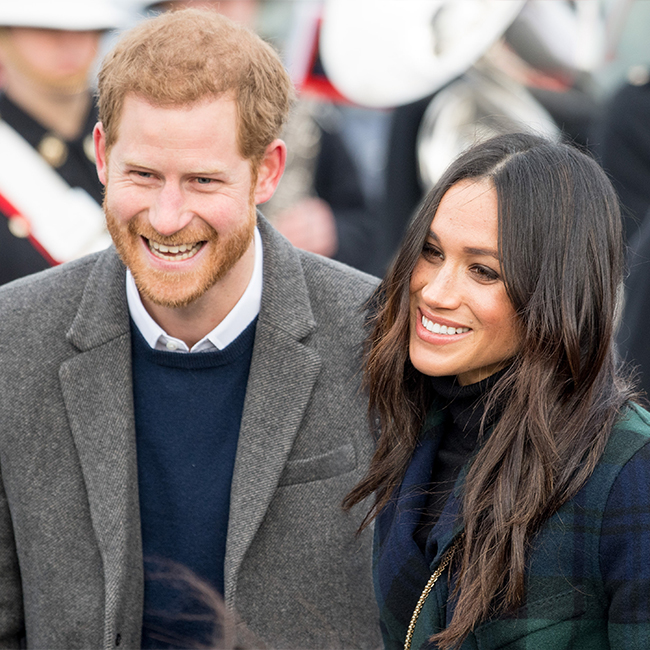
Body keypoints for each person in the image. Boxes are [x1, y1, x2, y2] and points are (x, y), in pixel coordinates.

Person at [0, 9, 379, 649]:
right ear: (101, 154)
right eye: (143, 175)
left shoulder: (374, 338)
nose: (168, 217)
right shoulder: (13, 340)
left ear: (267, 172)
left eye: (203, 181)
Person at [343, 132, 650, 649]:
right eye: (432, 252)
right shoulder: (415, 416)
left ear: (554, 291)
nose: (436, 292)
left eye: (482, 271)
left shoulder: (628, 468)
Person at [0, 0, 120, 284]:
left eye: (87, 29)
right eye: (46, 29)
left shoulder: (137, 129)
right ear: (5, 37)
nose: (70, 43)